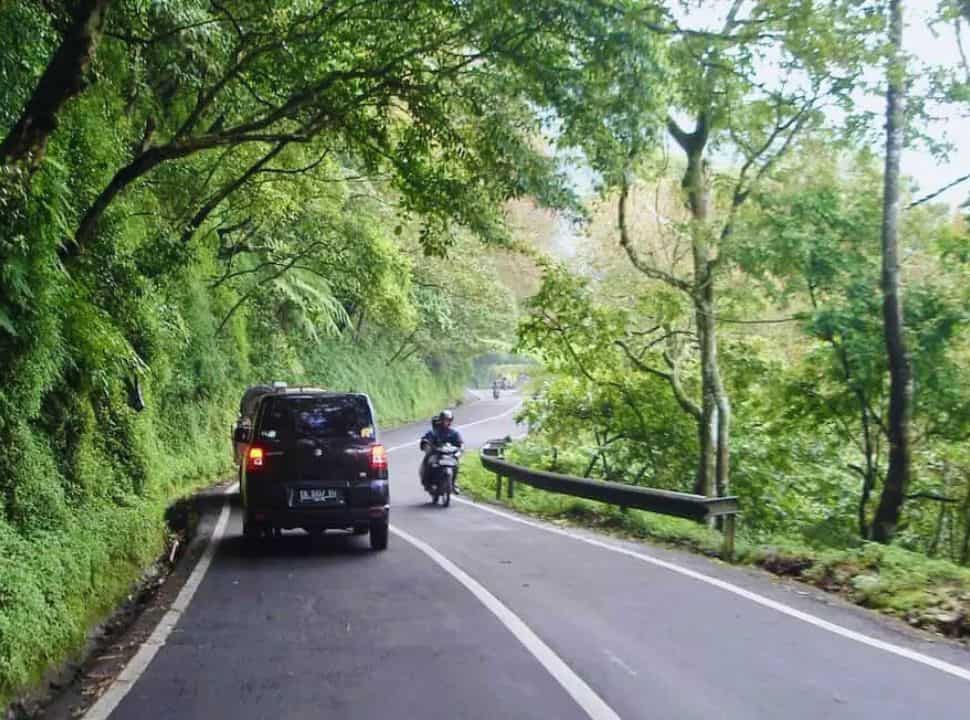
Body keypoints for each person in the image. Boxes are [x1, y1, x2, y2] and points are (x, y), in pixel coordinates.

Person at [420, 410, 465, 493]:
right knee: (429, 463)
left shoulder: (454, 433)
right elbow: (426, 439)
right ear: (441, 420)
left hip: (448, 455)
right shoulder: (433, 432)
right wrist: (426, 445)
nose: (447, 422)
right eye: (445, 420)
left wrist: (460, 450)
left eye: (449, 420)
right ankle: (428, 483)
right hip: (436, 454)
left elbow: (460, 443)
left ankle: (453, 482)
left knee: (456, 464)